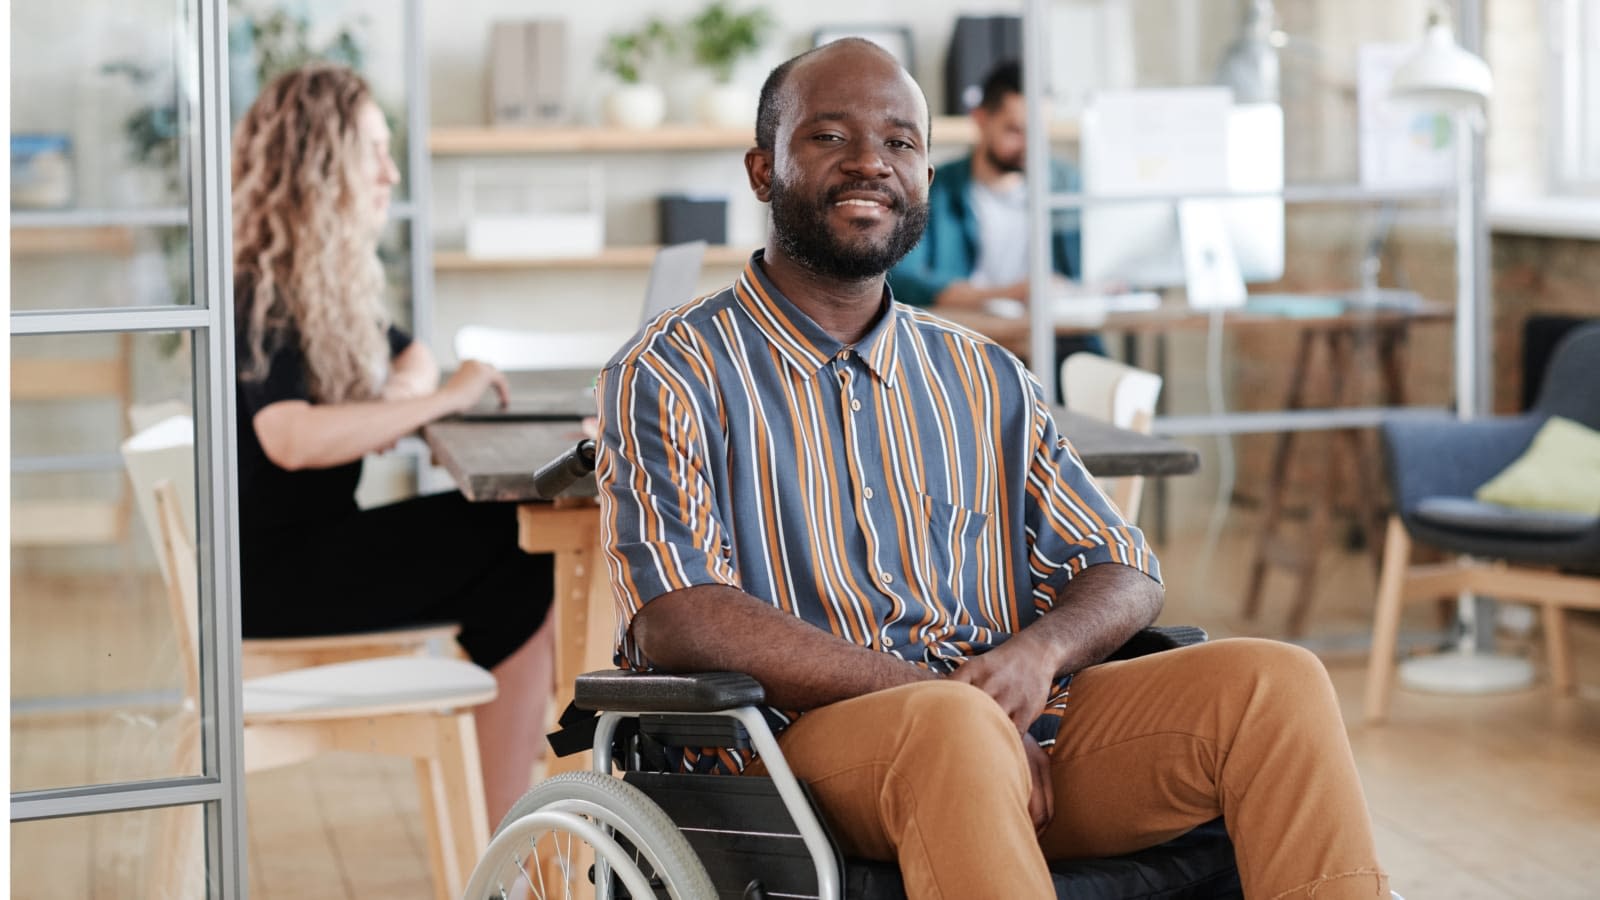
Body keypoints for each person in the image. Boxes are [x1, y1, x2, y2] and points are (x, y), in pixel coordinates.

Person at [595, 39, 1390, 899]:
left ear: (929, 176)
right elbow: (679, 616)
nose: (871, 161)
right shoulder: (670, 368)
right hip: (788, 755)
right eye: (829, 137)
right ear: (762, 171)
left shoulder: (985, 377)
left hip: (1020, 735)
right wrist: (948, 698)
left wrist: (1040, 653)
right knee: (948, 724)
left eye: (901, 143)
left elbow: (1123, 566)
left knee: (1275, 684)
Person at [231, 64, 554, 826]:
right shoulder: (258, 289)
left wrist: (400, 398)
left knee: (517, 557)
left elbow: (409, 351)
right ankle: (511, 833)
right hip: (269, 578)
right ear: (320, 163)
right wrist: (434, 403)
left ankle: (507, 827)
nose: (389, 171)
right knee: (518, 545)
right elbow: (290, 438)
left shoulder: (307, 278)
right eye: (373, 150)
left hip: (297, 553)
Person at [888, 59, 1102, 399]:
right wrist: (1010, 292)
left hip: (1056, 346)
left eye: (1039, 132)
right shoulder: (936, 190)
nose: (1031, 145)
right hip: (964, 345)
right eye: (1015, 131)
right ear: (981, 120)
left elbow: (1097, 265)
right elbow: (904, 277)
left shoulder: (1065, 185)